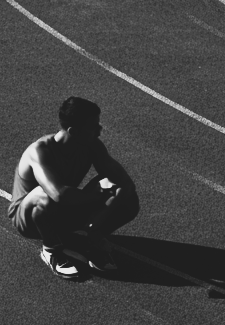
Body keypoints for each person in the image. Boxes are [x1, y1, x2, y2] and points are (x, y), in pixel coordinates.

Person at [9, 96, 139, 279]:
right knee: (44, 195)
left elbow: (125, 183)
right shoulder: (39, 152)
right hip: (30, 219)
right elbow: (58, 195)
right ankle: (51, 250)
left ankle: (90, 242)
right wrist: (97, 195)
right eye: (94, 126)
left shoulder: (91, 145)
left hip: (66, 206)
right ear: (74, 131)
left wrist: (97, 223)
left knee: (128, 200)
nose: (100, 131)